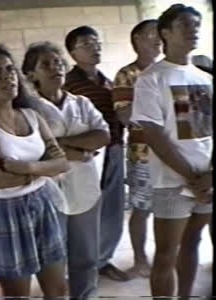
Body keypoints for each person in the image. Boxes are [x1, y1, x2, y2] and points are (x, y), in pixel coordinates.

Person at [0, 44, 70, 298]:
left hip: (42, 203)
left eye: (10, 69)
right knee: (17, 293)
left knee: (58, 288)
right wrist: (44, 170)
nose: (7, 76)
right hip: (6, 211)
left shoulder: (31, 114)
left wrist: (28, 168)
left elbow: (62, 162)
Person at [131, 4, 213, 298]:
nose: (193, 30)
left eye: (196, 25)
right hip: (172, 181)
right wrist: (193, 177)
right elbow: (153, 135)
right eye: (184, 25)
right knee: (166, 253)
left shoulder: (205, 79)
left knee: (193, 242)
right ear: (165, 33)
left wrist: (209, 176)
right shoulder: (152, 78)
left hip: (207, 179)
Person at [22, 41, 110, 299]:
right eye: (46, 65)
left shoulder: (81, 102)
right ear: (31, 74)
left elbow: (102, 135)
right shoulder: (28, 109)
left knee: (86, 257)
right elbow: (37, 150)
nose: (55, 68)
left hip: (85, 189)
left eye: (58, 63)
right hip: (48, 194)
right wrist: (81, 151)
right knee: (53, 262)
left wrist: (60, 144)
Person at [64, 25, 129, 281]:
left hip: (114, 149)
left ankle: (103, 260)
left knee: (112, 208)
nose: (95, 48)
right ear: (73, 51)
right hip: (85, 156)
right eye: (87, 44)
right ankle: (80, 264)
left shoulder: (108, 81)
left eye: (97, 43)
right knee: (85, 210)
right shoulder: (70, 85)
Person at [112, 19, 162, 278]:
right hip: (143, 154)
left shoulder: (169, 71)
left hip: (173, 155)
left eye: (160, 33)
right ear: (137, 40)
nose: (158, 39)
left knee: (173, 208)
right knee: (141, 208)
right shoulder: (126, 75)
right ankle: (141, 260)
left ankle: (168, 255)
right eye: (151, 34)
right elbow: (125, 117)